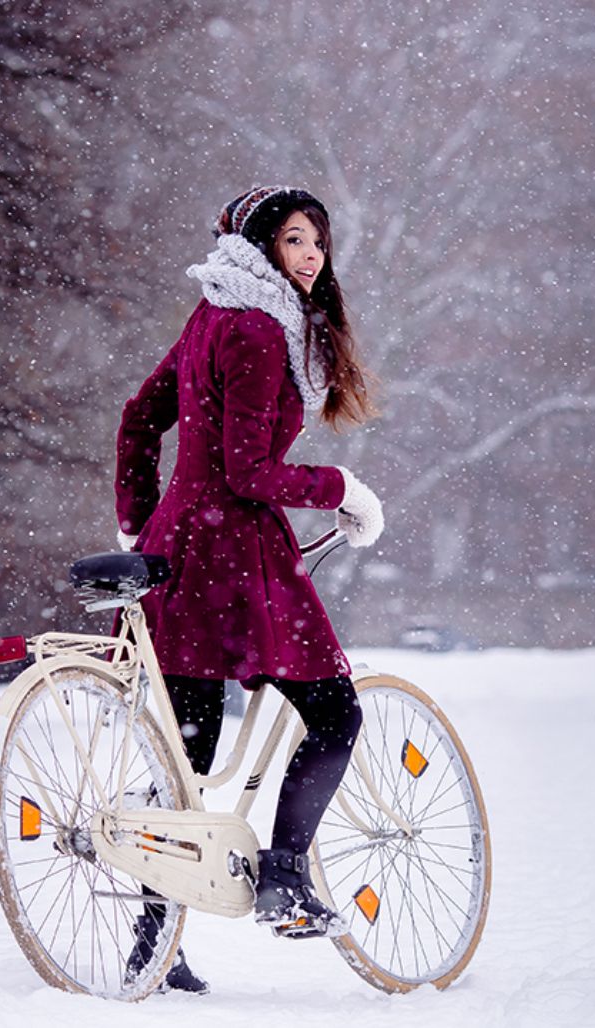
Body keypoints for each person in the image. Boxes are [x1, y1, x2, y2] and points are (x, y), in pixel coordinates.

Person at [114, 185, 383, 992]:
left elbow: (137, 418)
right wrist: (341, 486)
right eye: (295, 240)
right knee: (335, 712)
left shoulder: (212, 315)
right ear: (260, 248)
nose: (311, 256)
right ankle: (285, 875)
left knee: (186, 756)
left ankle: (153, 947)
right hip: (236, 556)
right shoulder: (262, 330)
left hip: (179, 549)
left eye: (318, 242)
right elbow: (250, 472)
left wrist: (138, 524)